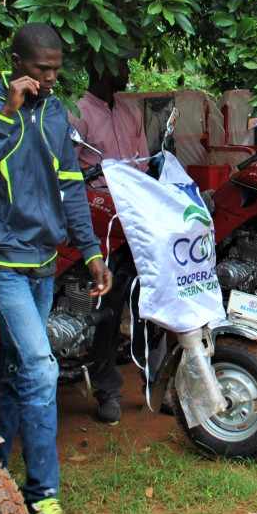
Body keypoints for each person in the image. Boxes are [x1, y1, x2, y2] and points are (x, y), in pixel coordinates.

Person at [0, 22, 112, 514]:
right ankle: (42, 497)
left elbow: (70, 189)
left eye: (56, 69)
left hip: (44, 261)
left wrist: (90, 253)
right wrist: (7, 114)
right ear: (17, 62)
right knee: (41, 368)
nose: (49, 77)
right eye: (41, 68)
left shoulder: (55, 113)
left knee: (13, 371)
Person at [65, 54, 148, 424]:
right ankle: (107, 387)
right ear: (101, 68)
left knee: (151, 295)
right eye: (122, 63)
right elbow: (72, 173)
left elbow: (144, 163)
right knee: (108, 302)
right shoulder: (77, 113)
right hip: (101, 223)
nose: (128, 71)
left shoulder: (131, 112)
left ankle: (154, 377)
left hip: (137, 215)